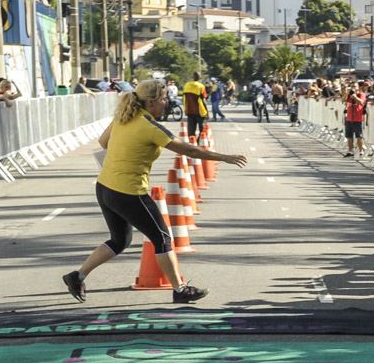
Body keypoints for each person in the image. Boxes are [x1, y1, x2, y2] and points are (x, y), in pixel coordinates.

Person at [62, 79, 247, 304]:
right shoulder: (149, 127)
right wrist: (224, 157)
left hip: (105, 187)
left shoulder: (124, 117)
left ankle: (77, 276)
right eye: (163, 99)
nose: (166, 103)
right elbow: (188, 150)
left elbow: (103, 142)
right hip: (128, 192)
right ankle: (180, 289)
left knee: (120, 240)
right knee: (162, 239)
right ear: (150, 102)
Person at [343, 82, 366, 157]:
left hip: (358, 118)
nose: (353, 88)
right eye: (352, 86)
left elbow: (361, 102)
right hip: (349, 118)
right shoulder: (349, 95)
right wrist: (347, 93)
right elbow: (343, 100)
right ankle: (350, 151)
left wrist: (355, 97)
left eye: (355, 86)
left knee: (359, 136)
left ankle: (361, 151)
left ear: (358, 87)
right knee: (349, 136)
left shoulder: (361, 94)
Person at [183, 72, 208, 139]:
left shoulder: (187, 85)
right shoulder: (201, 86)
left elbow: (185, 98)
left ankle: (192, 142)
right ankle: (199, 142)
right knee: (202, 131)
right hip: (200, 112)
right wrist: (207, 112)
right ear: (199, 78)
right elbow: (204, 100)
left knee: (191, 131)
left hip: (189, 111)